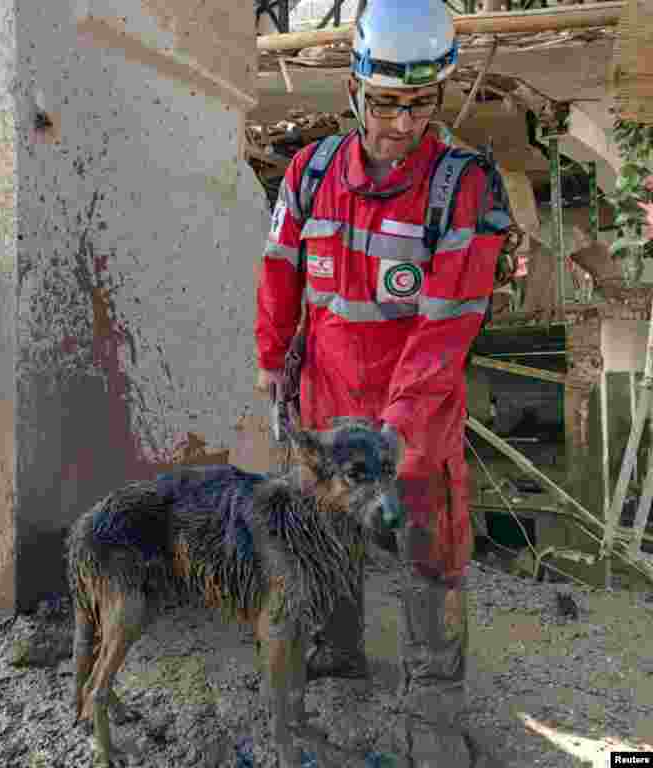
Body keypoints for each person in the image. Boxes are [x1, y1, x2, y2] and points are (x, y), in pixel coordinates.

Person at [254, 0, 513, 763]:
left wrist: (396, 424)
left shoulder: (463, 187)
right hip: (327, 410)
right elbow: (281, 277)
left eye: (421, 104)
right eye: (388, 103)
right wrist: (274, 364)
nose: (403, 124)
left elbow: (446, 325)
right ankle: (341, 650)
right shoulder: (310, 173)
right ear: (357, 88)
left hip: (417, 423)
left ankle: (432, 721)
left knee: (432, 563)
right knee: (326, 539)